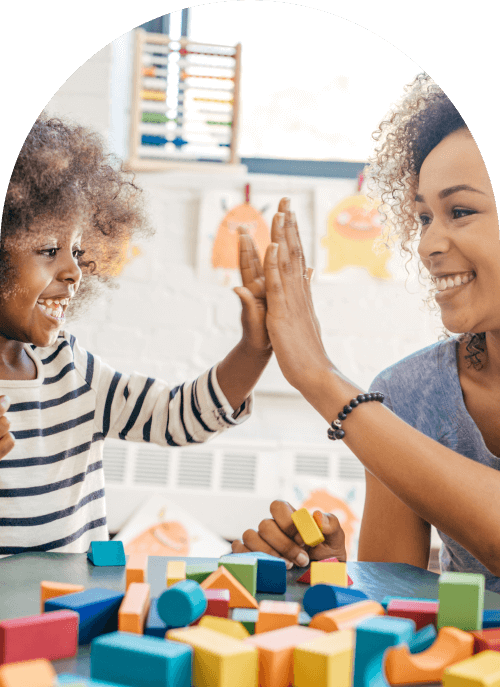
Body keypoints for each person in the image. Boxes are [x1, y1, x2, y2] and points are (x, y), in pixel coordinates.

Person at [231, 73, 500, 592]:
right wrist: (333, 574)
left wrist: (318, 375)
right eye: (423, 217)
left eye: (460, 211)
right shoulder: (409, 396)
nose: (426, 245)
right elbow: (397, 603)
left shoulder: (374, 411)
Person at [0, 112, 274, 556]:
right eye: (49, 251)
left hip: (73, 612)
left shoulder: (72, 370)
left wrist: (254, 349)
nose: (73, 271)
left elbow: (175, 416)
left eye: (76, 250)